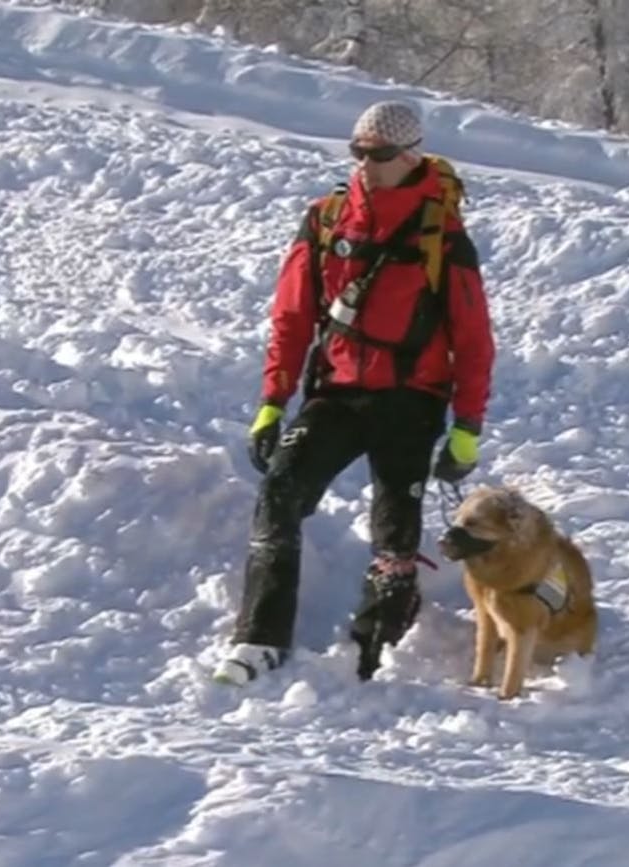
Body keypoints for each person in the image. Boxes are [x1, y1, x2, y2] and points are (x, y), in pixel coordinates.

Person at [213, 100, 496, 685]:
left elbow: (473, 339)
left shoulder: (441, 232)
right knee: (280, 494)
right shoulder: (325, 220)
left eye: (380, 154)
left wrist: (466, 427)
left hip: (411, 399)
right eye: (357, 152)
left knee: (395, 529)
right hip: (336, 394)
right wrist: (274, 401)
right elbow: (291, 319)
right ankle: (259, 640)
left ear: (410, 155)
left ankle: (375, 649)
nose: (366, 164)